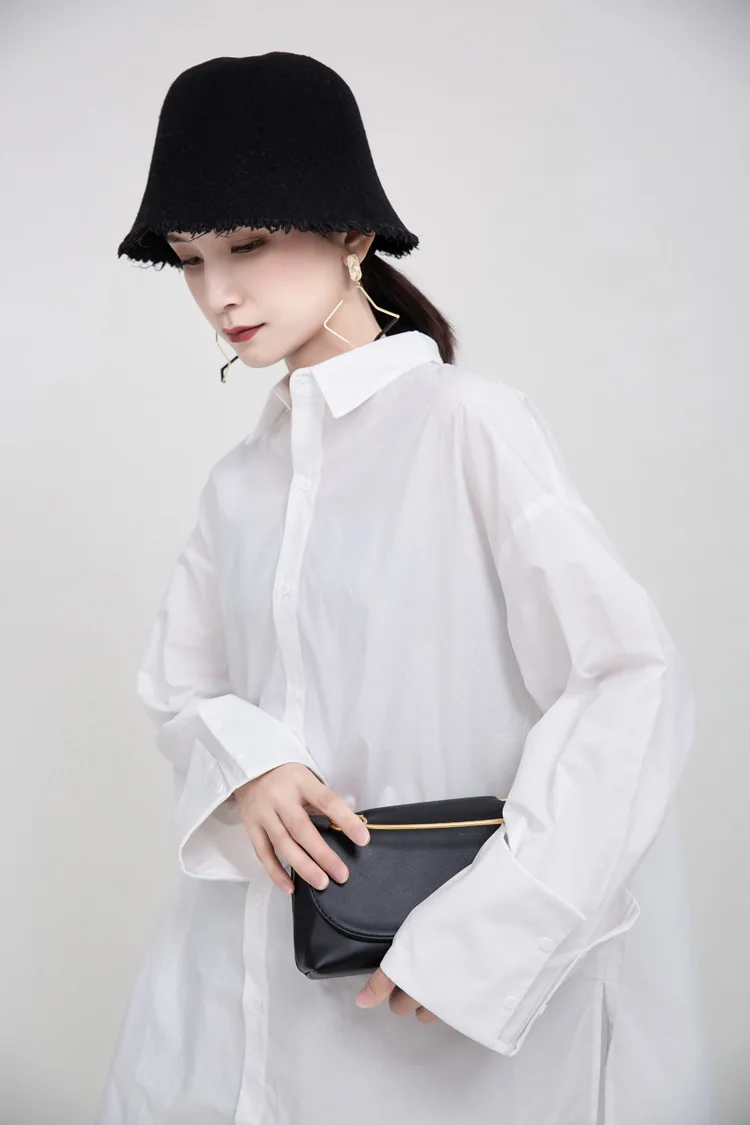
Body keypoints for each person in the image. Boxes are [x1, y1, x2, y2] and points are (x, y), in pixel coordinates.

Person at [95, 51, 717, 1125]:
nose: (217, 293)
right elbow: (178, 687)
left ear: (353, 236)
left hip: (438, 1007)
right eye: (191, 259)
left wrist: (487, 940)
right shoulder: (240, 483)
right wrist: (249, 763)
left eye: (247, 245)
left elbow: (628, 679)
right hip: (233, 980)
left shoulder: (470, 425)